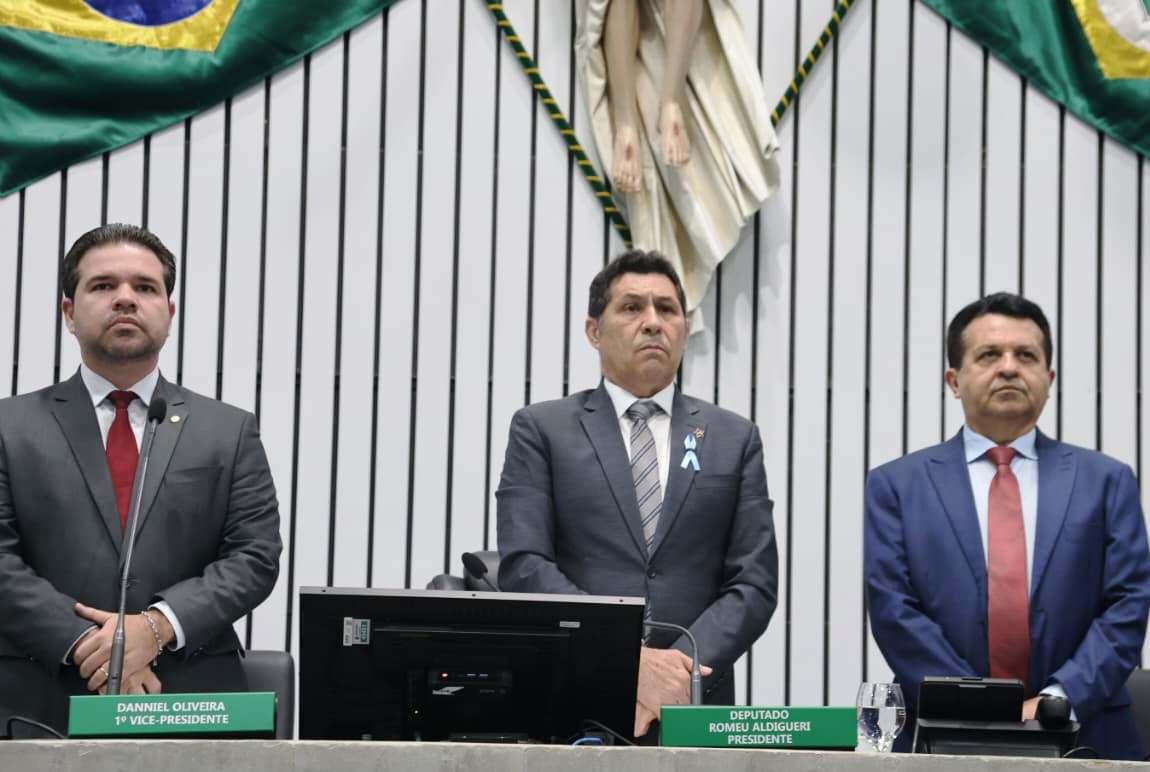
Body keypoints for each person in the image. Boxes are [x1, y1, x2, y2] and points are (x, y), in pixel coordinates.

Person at [0, 223, 281, 736]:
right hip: (37, 699)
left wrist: (155, 628)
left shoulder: (228, 430)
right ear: (69, 312)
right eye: (103, 285)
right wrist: (87, 644)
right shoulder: (9, 426)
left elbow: (254, 556)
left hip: (190, 699)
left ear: (169, 313)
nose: (125, 298)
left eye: (145, 287)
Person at [496, 249, 777, 738]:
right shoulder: (541, 429)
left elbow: (753, 584)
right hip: (573, 699)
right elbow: (524, 565)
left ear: (685, 330)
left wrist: (674, 673)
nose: (652, 322)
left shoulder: (734, 438)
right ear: (594, 331)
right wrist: (626, 660)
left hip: (694, 706)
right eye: (631, 308)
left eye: (667, 309)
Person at [865, 292, 1150, 759]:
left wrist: (1058, 698)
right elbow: (894, 610)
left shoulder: (1107, 482)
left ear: (1049, 380)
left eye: (1026, 356)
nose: (1009, 368)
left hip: (1089, 732)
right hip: (941, 733)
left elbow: (1127, 604)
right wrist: (980, 704)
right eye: (989, 355)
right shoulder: (897, 486)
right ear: (954, 381)